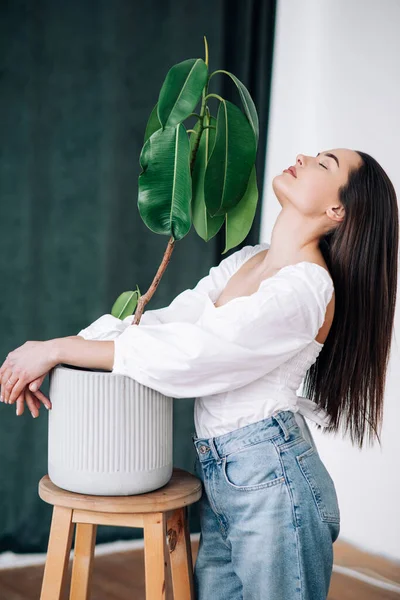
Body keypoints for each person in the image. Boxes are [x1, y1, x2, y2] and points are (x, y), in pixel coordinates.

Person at [0, 148, 398, 599]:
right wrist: (59, 353)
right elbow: (167, 323)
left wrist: (62, 349)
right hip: (226, 474)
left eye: (325, 164)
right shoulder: (247, 262)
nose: (305, 157)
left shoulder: (305, 290)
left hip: (273, 480)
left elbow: (195, 356)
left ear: (337, 210)